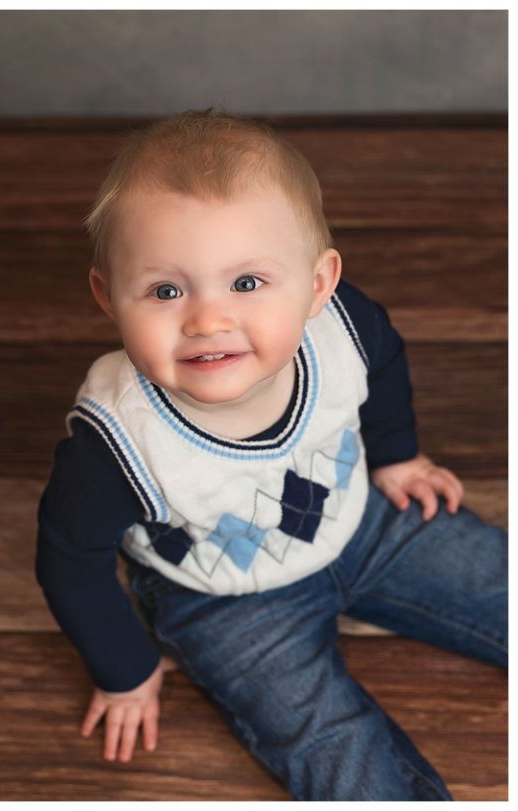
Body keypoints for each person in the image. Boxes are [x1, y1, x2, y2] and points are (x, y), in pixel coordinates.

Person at [35, 110, 507, 801]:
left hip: (362, 520)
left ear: (318, 284)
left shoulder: (345, 326)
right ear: (109, 296)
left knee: (496, 578)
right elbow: (68, 560)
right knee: (328, 739)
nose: (208, 319)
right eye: (166, 290)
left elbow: (385, 365)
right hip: (223, 595)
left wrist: (397, 457)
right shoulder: (117, 441)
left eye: (248, 283)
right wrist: (124, 665)